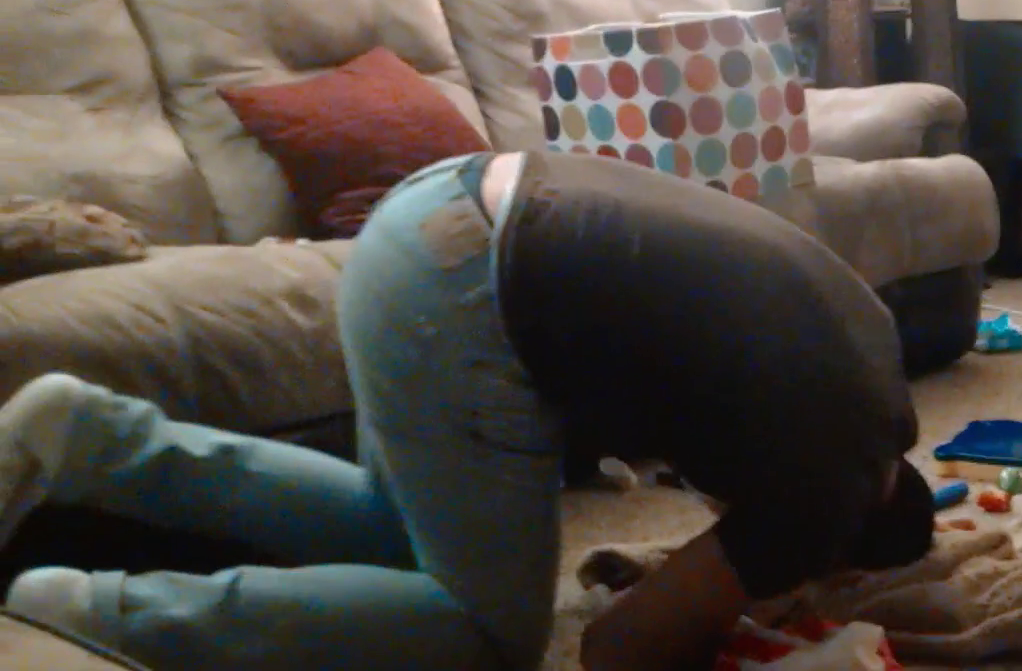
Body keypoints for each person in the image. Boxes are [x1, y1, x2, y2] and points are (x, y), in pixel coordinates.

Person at [0, 149, 937, 671]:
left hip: (435, 214)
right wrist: (733, 615)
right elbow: (616, 651)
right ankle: (101, 611)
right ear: (838, 548)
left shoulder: (870, 362)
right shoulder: (817, 496)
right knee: (487, 633)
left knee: (401, 532)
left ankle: (92, 436)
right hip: (470, 292)